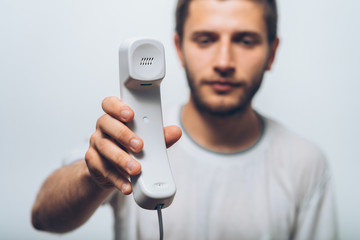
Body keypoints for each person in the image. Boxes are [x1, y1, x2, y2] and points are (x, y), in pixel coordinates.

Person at [31, 0, 338, 239]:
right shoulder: (130, 140)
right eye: (205, 39)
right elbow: (42, 216)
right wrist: (92, 176)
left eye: (245, 40)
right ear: (178, 49)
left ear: (272, 53)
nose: (223, 62)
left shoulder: (306, 164)